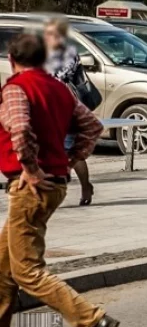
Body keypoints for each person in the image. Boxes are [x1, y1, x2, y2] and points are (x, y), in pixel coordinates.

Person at [0, 34, 118, 327]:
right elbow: (92, 126)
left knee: (26, 271)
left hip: (30, 188)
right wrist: (68, 159)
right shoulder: (59, 88)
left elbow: (20, 130)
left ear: (12, 60)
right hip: (55, 183)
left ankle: (93, 321)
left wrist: (31, 168)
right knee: (3, 264)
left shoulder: (16, 88)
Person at [43, 18, 95, 206]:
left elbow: (60, 78)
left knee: (68, 151)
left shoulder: (69, 54)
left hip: (67, 110)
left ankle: (83, 186)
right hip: (48, 111)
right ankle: (58, 190)